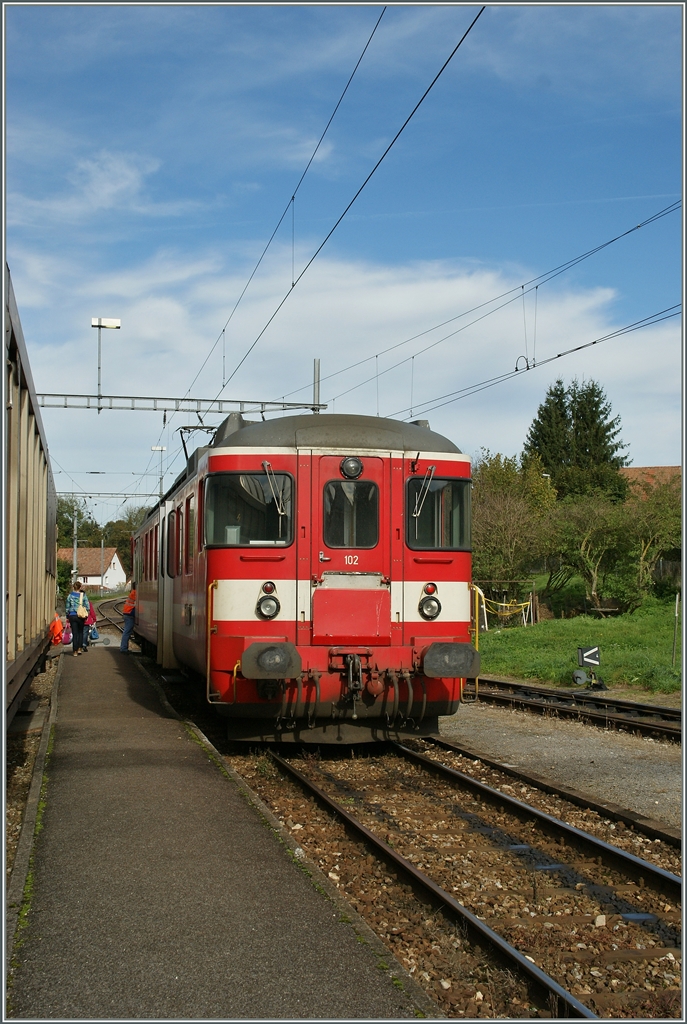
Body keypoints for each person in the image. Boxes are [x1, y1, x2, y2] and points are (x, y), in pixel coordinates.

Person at [65, 581, 90, 657]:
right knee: (80, 632)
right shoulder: (83, 596)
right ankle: (79, 648)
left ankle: (74, 651)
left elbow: (67, 607)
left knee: (75, 633)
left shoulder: (70, 596)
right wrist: (86, 615)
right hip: (80, 616)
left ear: (73, 587)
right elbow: (87, 606)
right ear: (80, 587)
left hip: (72, 615)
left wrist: (67, 616)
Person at [120, 582, 137, 653]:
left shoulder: (133, 592)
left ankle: (124, 648)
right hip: (129, 613)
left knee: (127, 631)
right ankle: (123, 648)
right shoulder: (136, 593)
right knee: (127, 631)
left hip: (127, 612)